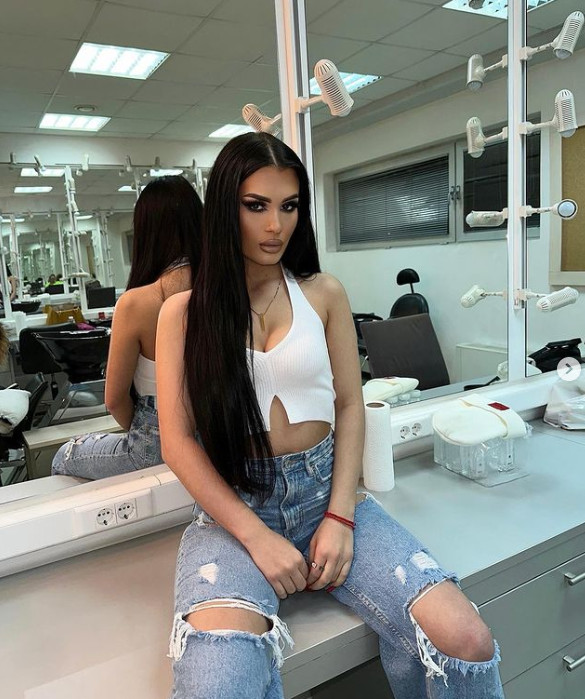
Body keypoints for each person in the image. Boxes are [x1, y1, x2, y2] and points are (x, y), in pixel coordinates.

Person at [156, 133, 505, 698]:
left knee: (467, 640)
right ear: (224, 209)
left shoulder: (323, 293)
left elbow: (349, 403)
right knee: (217, 686)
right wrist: (256, 536)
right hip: (234, 514)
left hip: (327, 495)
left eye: (289, 206)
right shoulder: (184, 314)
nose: (276, 225)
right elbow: (177, 441)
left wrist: (340, 515)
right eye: (256, 206)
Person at [52, 176, 203, 479]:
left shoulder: (136, 303)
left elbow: (114, 399)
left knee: (64, 455)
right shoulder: (224, 291)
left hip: (156, 444)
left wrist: (147, 431)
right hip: (216, 439)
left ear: (146, 233)